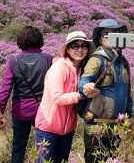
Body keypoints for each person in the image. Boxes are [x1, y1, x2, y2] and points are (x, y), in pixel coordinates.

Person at [35, 31, 96, 163]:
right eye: (75, 46)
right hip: (49, 127)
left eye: (84, 46)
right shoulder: (59, 67)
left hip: (67, 128)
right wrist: (81, 95)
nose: (80, 49)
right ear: (68, 49)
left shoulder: (83, 70)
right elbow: (57, 97)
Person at [79, 19, 133, 163]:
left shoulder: (124, 62)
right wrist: (85, 87)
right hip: (97, 124)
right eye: (106, 34)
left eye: (114, 34)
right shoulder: (96, 60)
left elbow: (128, 93)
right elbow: (84, 80)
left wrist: (130, 116)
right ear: (99, 38)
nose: (110, 38)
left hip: (116, 126)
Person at [0, 26, 54, 163]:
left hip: (20, 111)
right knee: (45, 146)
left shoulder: (13, 62)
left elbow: (5, 90)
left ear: (20, 41)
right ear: (40, 40)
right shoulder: (49, 59)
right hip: (43, 110)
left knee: (18, 146)